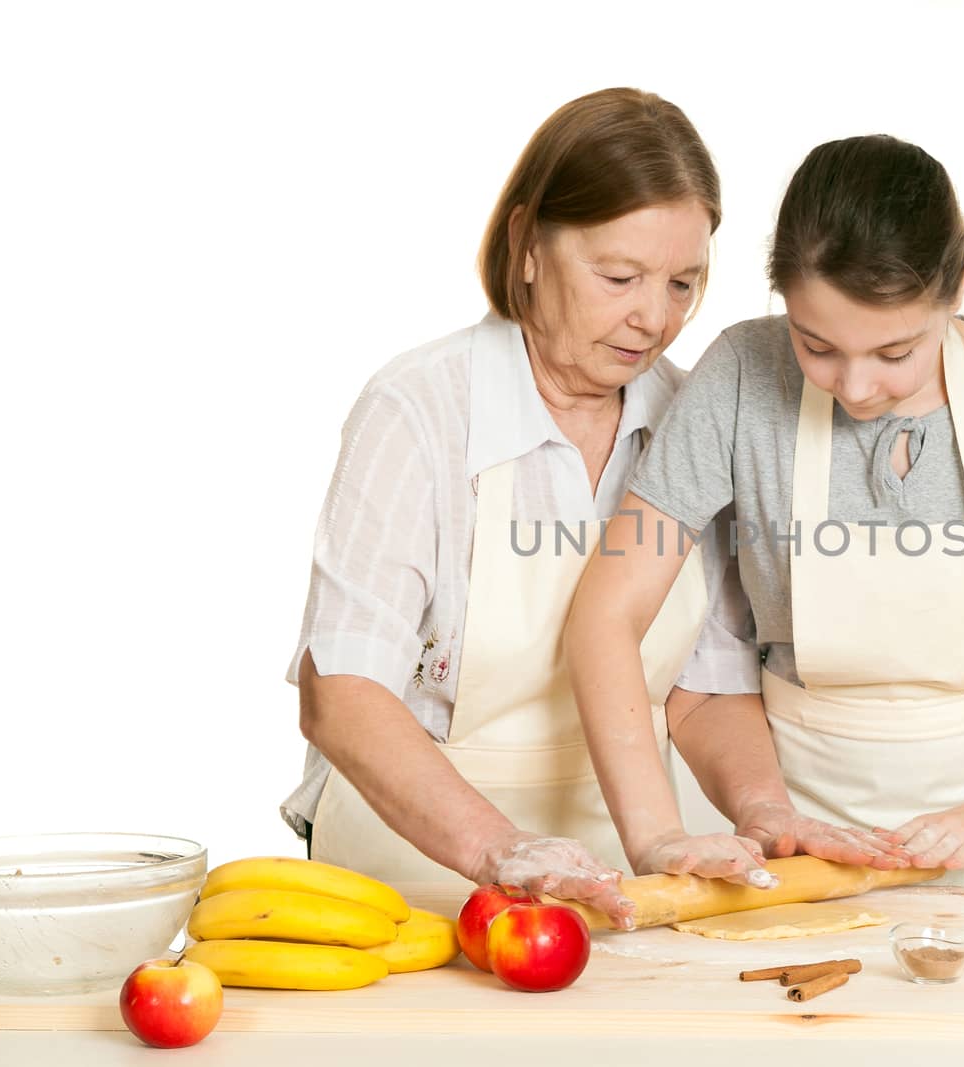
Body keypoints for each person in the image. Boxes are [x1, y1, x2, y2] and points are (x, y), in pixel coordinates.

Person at [565, 134, 964, 887]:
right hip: (804, 840)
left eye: (895, 353)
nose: (856, 387)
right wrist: (657, 836)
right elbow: (607, 612)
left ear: (958, 285)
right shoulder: (739, 376)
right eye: (816, 345)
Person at [281, 88, 760, 927]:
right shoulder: (420, 409)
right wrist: (502, 849)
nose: (656, 318)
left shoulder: (692, 420)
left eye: (684, 283)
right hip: (426, 865)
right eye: (620, 276)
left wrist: (764, 813)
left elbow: (707, 690)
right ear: (527, 245)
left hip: (633, 866)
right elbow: (343, 695)